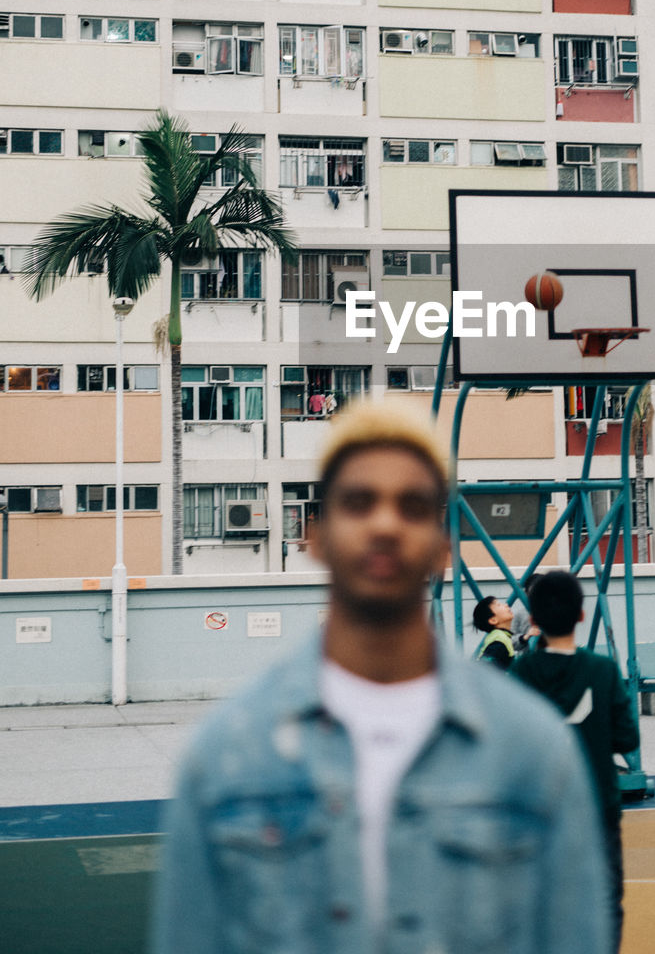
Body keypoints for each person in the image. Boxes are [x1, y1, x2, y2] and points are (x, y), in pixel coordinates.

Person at [152, 404, 611, 954]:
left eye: (413, 506)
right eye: (359, 501)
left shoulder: (533, 749)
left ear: (443, 547)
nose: (385, 524)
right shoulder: (226, 754)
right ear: (316, 537)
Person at [511, 570, 640, 953]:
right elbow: (627, 738)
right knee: (604, 899)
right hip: (596, 805)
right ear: (582, 616)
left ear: (532, 620)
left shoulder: (522, 673)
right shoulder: (601, 670)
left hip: (540, 808)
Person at [472, 594, 515, 669]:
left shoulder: (501, 636)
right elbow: (487, 668)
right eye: (499, 605)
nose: (506, 605)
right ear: (493, 620)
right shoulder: (498, 641)